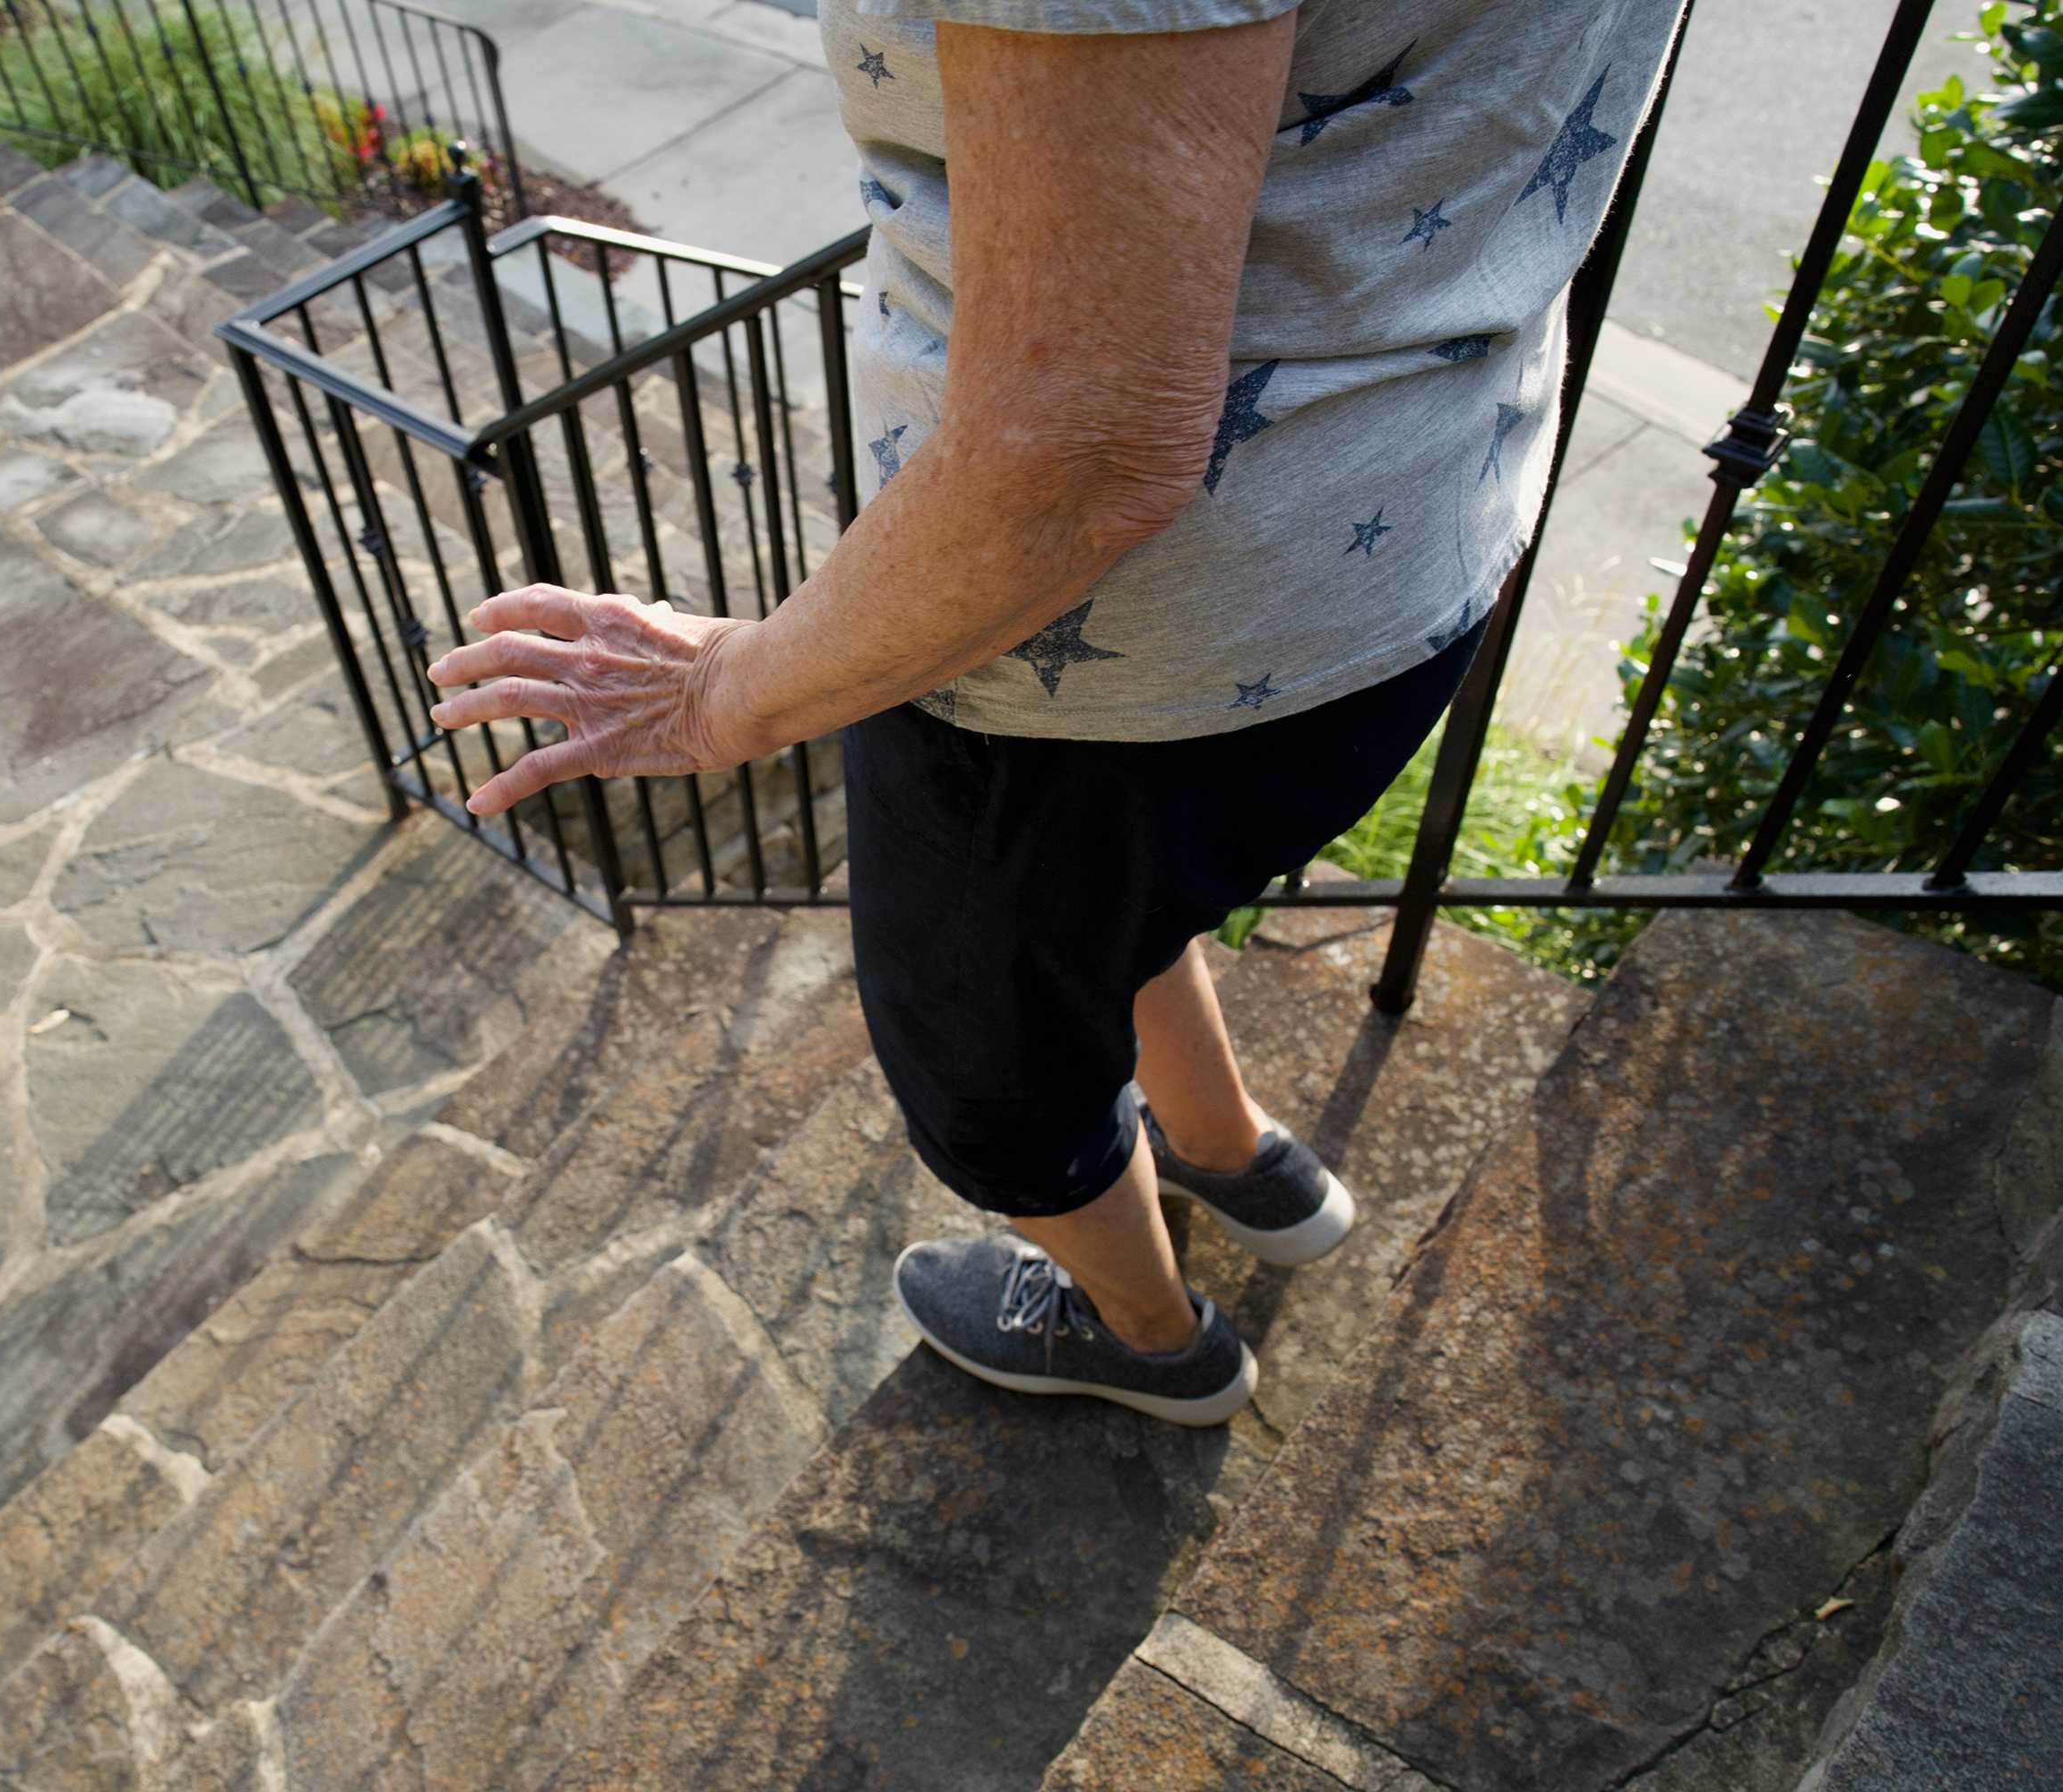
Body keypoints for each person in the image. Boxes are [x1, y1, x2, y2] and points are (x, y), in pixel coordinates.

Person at [427, 0, 1687, 1426]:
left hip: (1088, 656)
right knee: (1120, 908)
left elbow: (1080, 453)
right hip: (1403, 558)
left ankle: (1155, 1343)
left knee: (992, 1069)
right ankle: (1236, 1159)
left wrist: (731, 693)